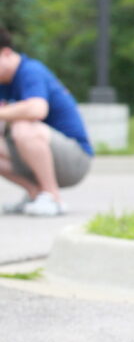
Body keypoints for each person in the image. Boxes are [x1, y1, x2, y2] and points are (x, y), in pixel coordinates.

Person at [0, 28, 93, 217]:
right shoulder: (3, 83)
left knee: (23, 126)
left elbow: (37, 109)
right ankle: (36, 194)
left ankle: (53, 197)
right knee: (18, 128)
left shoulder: (30, 70)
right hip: (35, 155)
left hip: (75, 159)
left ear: (6, 53)